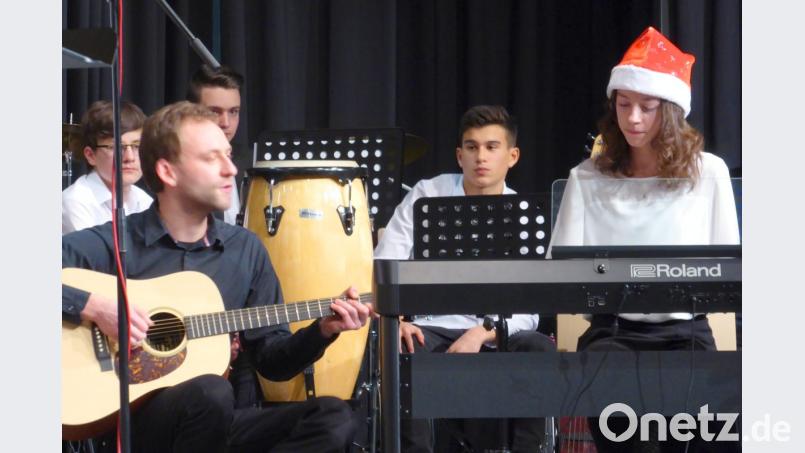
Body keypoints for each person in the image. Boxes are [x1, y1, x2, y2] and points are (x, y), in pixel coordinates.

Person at [62, 101, 373, 453]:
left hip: (216, 423)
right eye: (212, 159)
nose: (231, 170)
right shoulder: (115, 241)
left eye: (228, 155)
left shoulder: (245, 250)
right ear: (168, 172)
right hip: (137, 429)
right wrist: (96, 306)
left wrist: (322, 331)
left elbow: (272, 362)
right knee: (210, 391)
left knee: (334, 416)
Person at [549, 27, 740, 452]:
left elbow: (729, 272)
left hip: (686, 333)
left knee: (710, 433)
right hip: (611, 335)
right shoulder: (587, 176)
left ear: (670, 111)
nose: (633, 118)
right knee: (626, 432)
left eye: (647, 107)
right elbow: (561, 275)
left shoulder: (708, 172)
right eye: (624, 105)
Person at [375, 105, 556, 453]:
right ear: (459, 156)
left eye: (492, 147)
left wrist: (482, 333)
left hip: (493, 333)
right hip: (431, 329)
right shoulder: (429, 194)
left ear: (512, 156)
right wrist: (395, 320)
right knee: (401, 349)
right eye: (471, 148)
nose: (480, 157)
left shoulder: (525, 218)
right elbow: (386, 262)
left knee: (538, 348)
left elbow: (530, 309)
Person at [62, 101, 152, 234]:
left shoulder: (143, 200)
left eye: (137, 146)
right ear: (91, 155)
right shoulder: (75, 202)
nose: (129, 157)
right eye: (117, 147)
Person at [187, 64, 245, 224]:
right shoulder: (179, 168)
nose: (226, 123)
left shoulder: (251, 163)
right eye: (214, 112)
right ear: (191, 112)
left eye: (234, 111)